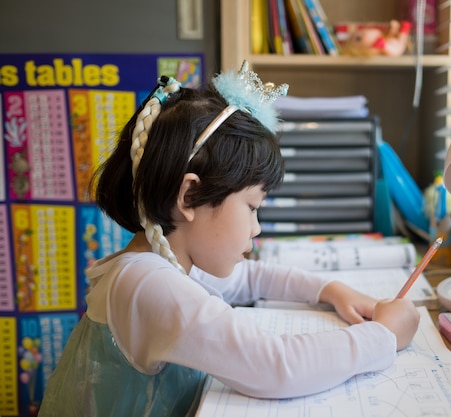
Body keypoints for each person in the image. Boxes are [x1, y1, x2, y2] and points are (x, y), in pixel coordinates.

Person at [38, 61, 420, 417]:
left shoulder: (166, 259)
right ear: (189, 197)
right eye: (252, 207)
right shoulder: (146, 283)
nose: (257, 227)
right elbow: (273, 366)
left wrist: (331, 289)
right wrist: (383, 335)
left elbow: (249, 279)